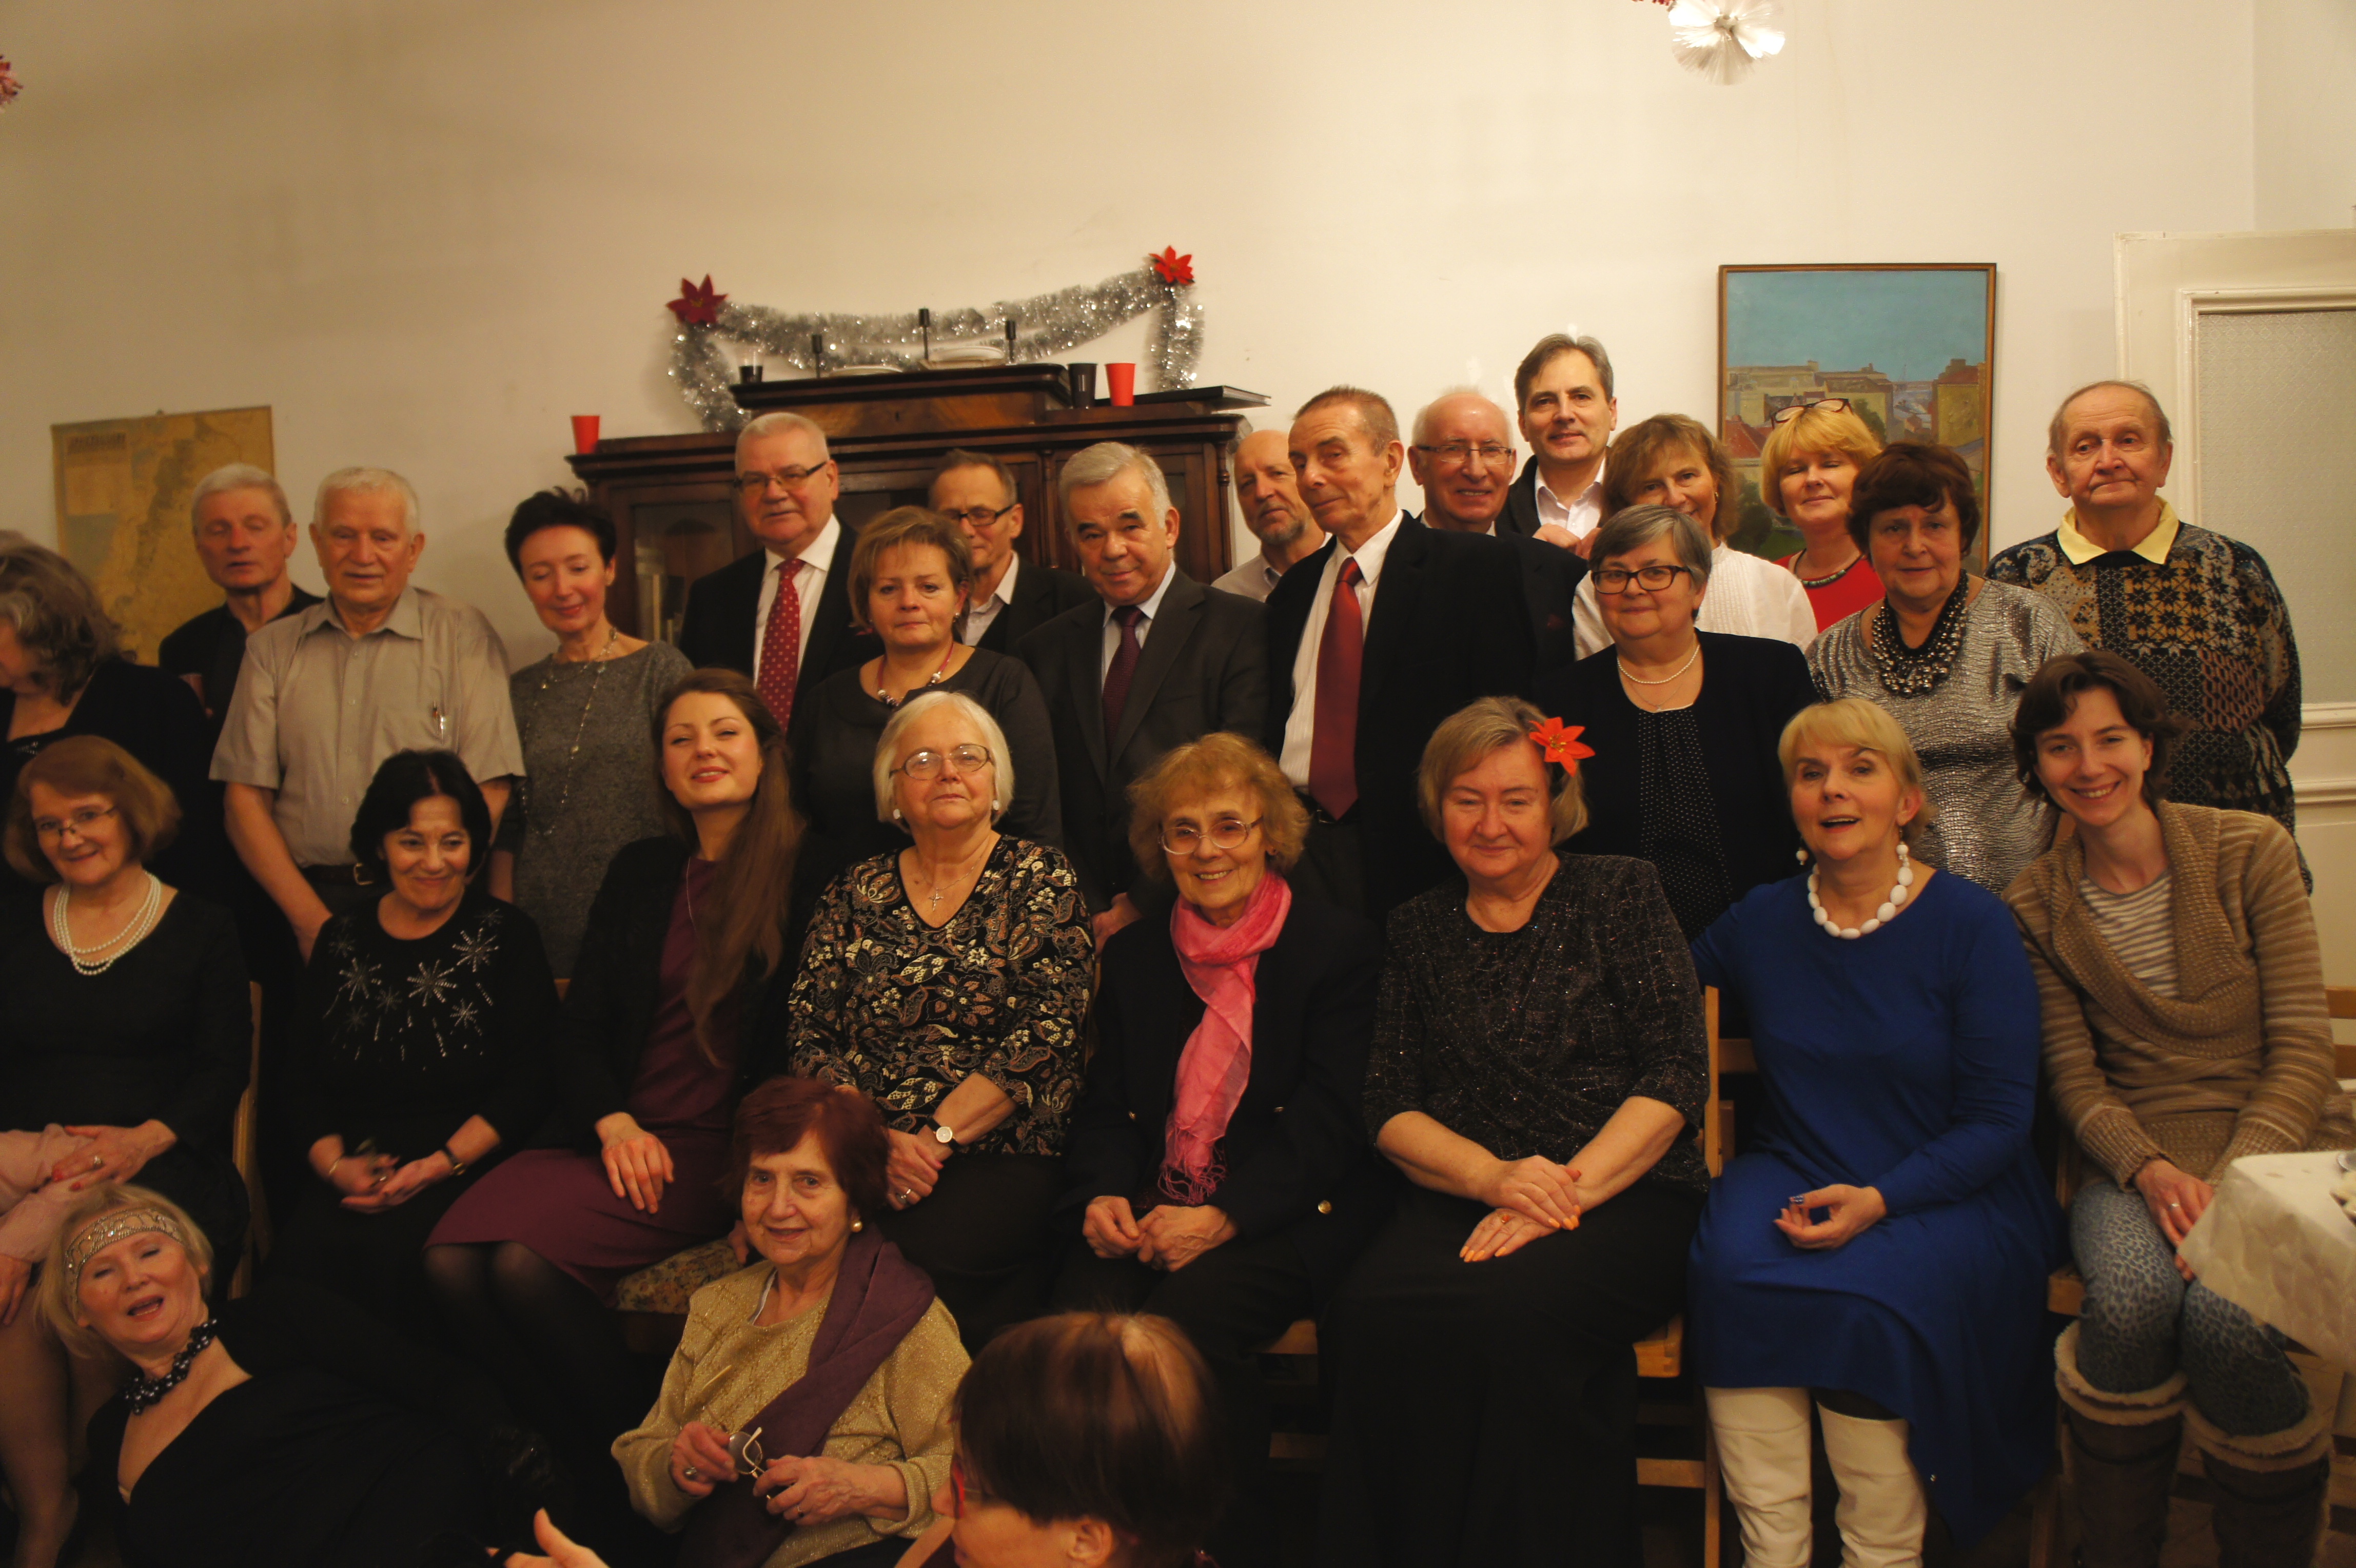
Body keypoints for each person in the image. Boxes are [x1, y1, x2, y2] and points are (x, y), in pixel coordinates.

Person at [1316, 697, 1710, 1567]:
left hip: (1625, 1194)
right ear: (1437, 808)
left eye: (1515, 800)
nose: (1490, 824)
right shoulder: (1416, 927)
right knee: (1368, 1315)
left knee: (1513, 1316)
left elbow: (1676, 1075)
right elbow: (1387, 1104)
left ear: (1555, 802)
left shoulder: (1622, 891)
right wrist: (1494, 1179)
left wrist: (1559, 1193)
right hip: (1468, 1191)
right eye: (1468, 800)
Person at [1688, 698, 2061, 1568]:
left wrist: (1881, 1199)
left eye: (1861, 768)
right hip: (1794, 1160)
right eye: (1810, 773)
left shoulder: (1973, 925)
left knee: (1870, 1296)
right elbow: (1648, 991)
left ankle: (1879, 1557)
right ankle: (1773, 1554)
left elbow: (2000, 1120)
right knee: (1727, 1268)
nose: (1832, 789)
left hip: (1952, 1188)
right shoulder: (1760, 919)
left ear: (1907, 801)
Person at [2004, 651, 2352, 1568]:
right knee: (2128, 1305)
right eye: (2059, 747)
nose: (2089, 767)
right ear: (2035, 766)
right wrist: (2153, 1172)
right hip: (2131, 1161)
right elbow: (2075, 1080)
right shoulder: (2034, 902)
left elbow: (2303, 1049)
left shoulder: (2250, 850)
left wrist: (2233, 1187)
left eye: (2110, 739)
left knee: (2226, 1320)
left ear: (2149, 746)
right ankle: (2117, 1550)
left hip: (2282, 1151)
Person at [428, 671, 817, 1475]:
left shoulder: (808, 871)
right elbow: (580, 1029)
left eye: (725, 733)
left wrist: (762, 1184)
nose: (704, 750)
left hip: (714, 1151)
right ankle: (559, 1449)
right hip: (614, 1133)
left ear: (765, 753)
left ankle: (628, 1461)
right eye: (681, 739)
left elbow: (804, 1051)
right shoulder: (644, 869)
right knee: (448, 1264)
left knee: (522, 1268)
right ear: (663, 769)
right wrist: (612, 1122)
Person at [1053, 732, 1383, 1567]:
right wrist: (1102, 1193)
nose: (1208, 851)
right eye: (1184, 831)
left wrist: (1224, 1217)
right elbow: (1108, 1105)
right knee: (1077, 1317)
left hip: (1291, 1210)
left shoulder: (1335, 947)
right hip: (1158, 1199)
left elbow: (1332, 1122)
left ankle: (1220, 1544)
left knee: (1187, 1326)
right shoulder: (1136, 954)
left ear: (1270, 835)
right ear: (1159, 847)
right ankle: (1094, 1537)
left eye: (1230, 826)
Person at [0, 738, 250, 1568]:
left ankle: (104, 1492)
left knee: (83, 1275)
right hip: (30, 1164)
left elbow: (223, 1070)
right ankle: (47, 1509)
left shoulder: (203, 927)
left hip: (161, 1168)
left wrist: (143, 1139)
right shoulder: (12, 927)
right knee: (17, 1297)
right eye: (50, 825)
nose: (69, 837)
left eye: (87, 815)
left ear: (131, 814)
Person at [787, 691, 1093, 1349]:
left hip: (999, 1154)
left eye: (967, 756)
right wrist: (876, 1142)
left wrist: (933, 1139)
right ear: (894, 790)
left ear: (995, 781)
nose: (947, 771)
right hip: (865, 1151)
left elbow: (1048, 1031)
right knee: (804, 1256)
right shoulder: (852, 888)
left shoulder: (1040, 876)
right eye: (922, 760)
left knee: (879, 1268)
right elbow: (810, 1030)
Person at [44, 1184, 559, 1568]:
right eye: (103, 1271)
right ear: (80, 1310)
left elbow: (435, 1380)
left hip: (417, 1515)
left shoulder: (276, 1314)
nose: (134, 1278)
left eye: (150, 1252)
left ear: (195, 1262)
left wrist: (503, 1443)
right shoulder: (109, 1434)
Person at [613, 1077, 966, 1568]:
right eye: (762, 1179)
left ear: (855, 1201)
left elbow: (976, 1475)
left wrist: (861, 1486)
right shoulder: (717, 1305)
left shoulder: (905, 1318)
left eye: (809, 1182)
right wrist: (678, 1466)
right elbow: (641, 1470)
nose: (779, 1208)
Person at [267, 750, 557, 1326]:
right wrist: (337, 1168)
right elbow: (298, 1077)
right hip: (356, 1174)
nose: (433, 862)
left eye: (452, 842)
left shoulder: (507, 936)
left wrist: (437, 1166)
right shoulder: (341, 938)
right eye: (411, 842)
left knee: (404, 1272)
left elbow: (533, 1083)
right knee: (293, 1284)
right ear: (379, 845)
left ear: (474, 845)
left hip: (468, 1170)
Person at [212, 465, 524, 958]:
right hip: (303, 905)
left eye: (383, 538)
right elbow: (244, 801)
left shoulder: (463, 635)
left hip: (432, 903)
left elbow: (491, 785)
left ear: (413, 550)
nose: (362, 556)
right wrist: (311, 925)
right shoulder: (271, 650)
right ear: (317, 544)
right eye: (343, 536)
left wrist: (428, 901)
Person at [1989, 381, 2304, 844]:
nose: (2109, 460)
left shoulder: (2234, 567)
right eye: (2086, 446)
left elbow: (2282, 712)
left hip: (2239, 847)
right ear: (2059, 473)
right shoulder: (2016, 579)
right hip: (2081, 854)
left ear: (2164, 460)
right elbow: (2007, 729)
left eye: (2129, 440)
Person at [1265, 388, 1534, 917]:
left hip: (1420, 856)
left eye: (1332, 455)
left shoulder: (1473, 569)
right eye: (1299, 463)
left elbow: (1507, 723)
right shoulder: (1293, 591)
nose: (1310, 478)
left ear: (1390, 462)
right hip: (1297, 851)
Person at [1809, 441, 2081, 894]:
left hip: (2032, 905)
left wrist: (2056, 887)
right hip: (1885, 910)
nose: (1915, 546)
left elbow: (2086, 760)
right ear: (1866, 542)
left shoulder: (2029, 623)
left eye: (1935, 525)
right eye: (1894, 528)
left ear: (1963, 535)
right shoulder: (1830, 657)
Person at [1018, 442, 1265, 938]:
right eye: (1091, 533)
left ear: (1169, 527)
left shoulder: (1240, 628)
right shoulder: (1043, 649)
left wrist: (1142, 902)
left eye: (1130, 526)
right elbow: (1040, 795)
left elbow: (1239, 780)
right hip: (1074, 916)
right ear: (1072, 541)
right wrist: (1081, 903)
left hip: (1199, 908)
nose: (1112, 550)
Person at [1539, 505, 1816, 940]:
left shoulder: (1769, 673)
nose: (1633, 589)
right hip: (1614, 947)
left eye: (1655, 573)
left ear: (1698, 588)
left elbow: (1816, 797)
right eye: (1614, 575)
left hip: (1769, 937)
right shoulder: (1560, 700)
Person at [792, 507, 1060, 876]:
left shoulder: (1004, 683)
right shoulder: (824, 700)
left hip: (984, 903)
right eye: (889, 589)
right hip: (845, 903)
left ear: (960, 598)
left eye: (928, 587)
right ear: (866, 601)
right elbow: (796, 826)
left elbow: (1037, 829)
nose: (909, 602)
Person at [490, 487, 691, 975]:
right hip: (540, 925)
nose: (563, 589)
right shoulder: (518, 690)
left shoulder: (661, 670)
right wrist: (501, 926)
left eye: (578, 568)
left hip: (647, 917)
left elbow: (699, 803)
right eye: (541, 575)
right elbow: (509, 828)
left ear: (610, 569)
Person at [0, 534, 226, 898]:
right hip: (17, 926)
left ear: (39, 623)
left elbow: (197, 841)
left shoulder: (151, 699)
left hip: (142, 919)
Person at [676, 411, 875, 726]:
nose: (774, 494)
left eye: (792, 475)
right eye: (755, 481)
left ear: (831, 479)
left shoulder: (881, 576)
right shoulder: (712, 597)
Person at [1576, 411, 1814, 656]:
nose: (1675, 499)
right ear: (1627, 503)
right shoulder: (1601, 589)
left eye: (1687, 477)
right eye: (1652, 487)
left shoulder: (1776, 585)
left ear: (1716, 481)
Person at [1406, 388, 1586, 681]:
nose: (1476, 471)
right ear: (1417, 465)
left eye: (1491, 451)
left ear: (1512, 464)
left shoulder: (1560, 573)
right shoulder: (1383, 567)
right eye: (1454, 449)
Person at [156, 463, 321, 733]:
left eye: (255, 527)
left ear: (289, 538)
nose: (238, 543)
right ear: (198, 545)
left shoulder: (332, 627)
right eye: (219, 531)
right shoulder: (183, 649)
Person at [927, 448, 1093, 653]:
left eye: (981, 515)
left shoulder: (1074, 599)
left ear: (1015, 521)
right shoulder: (918, 606)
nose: (965, 531)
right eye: (951, 517)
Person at [1761, 399, 1884, 631]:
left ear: (1864, 474)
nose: (1812, 480)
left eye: (1830, 464)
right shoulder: (1765, 584)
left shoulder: (1893, 574)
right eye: (1796, 470)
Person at [1499, 333, 1619, 551]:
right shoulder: (1494, 517)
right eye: (1545, 402)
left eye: (1581, 397)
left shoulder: (1653, 499)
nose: (1564, 414)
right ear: (1523, 424)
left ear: (1612, 412)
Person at [1212, 428, 1327, 602]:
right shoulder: (1227, 597)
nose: (1262, 493)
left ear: (1307, 479)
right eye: (1247, 484)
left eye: (1277, 474)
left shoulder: (1353, 572)